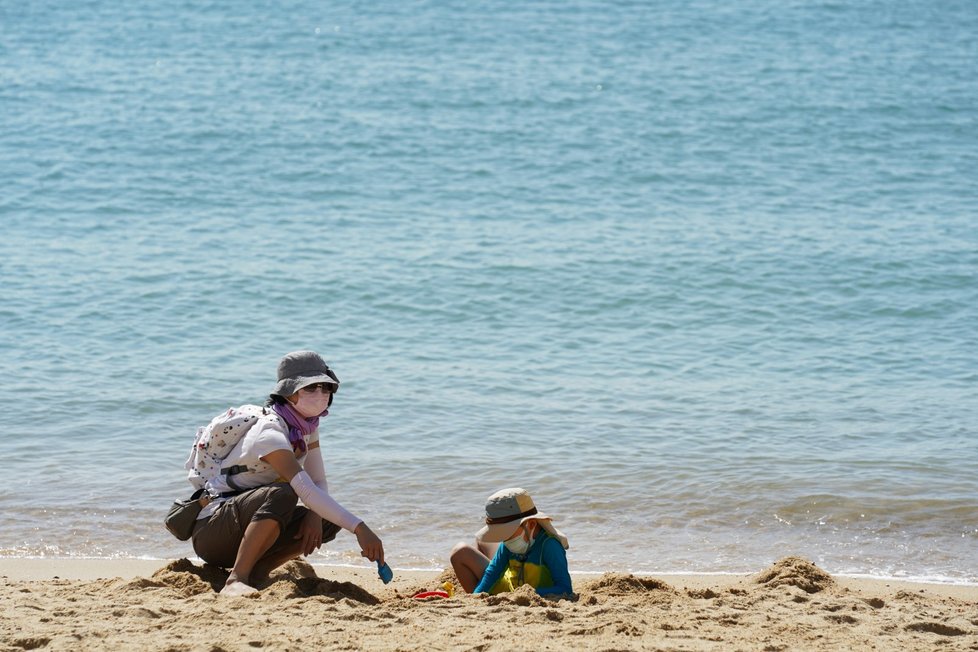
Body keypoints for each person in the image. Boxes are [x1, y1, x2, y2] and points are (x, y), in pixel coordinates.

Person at [191, 350, 385, 596]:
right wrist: (360, 528)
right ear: (288, 392)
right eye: (310, 388)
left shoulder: (306, 428)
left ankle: (259, 571)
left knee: (327, 519)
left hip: (248, 524)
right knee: (283, 493)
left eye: (326, 388)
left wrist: (315, 516)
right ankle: (236, 578)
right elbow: (303, 486)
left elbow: (318, 480)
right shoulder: (269, 430)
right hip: (214, 533)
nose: (321, 394)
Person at [450, 487, 572, 596]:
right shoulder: (507, 544)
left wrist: (524, 594)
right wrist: (476, 597)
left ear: (531, 524)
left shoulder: (549, 545)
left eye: (507, 532)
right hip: (508, 587)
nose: (505, 539)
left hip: (530, 594)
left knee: (482, 546)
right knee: (461, 550)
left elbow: (565, 589)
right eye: (500, 534)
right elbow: (491, 573)